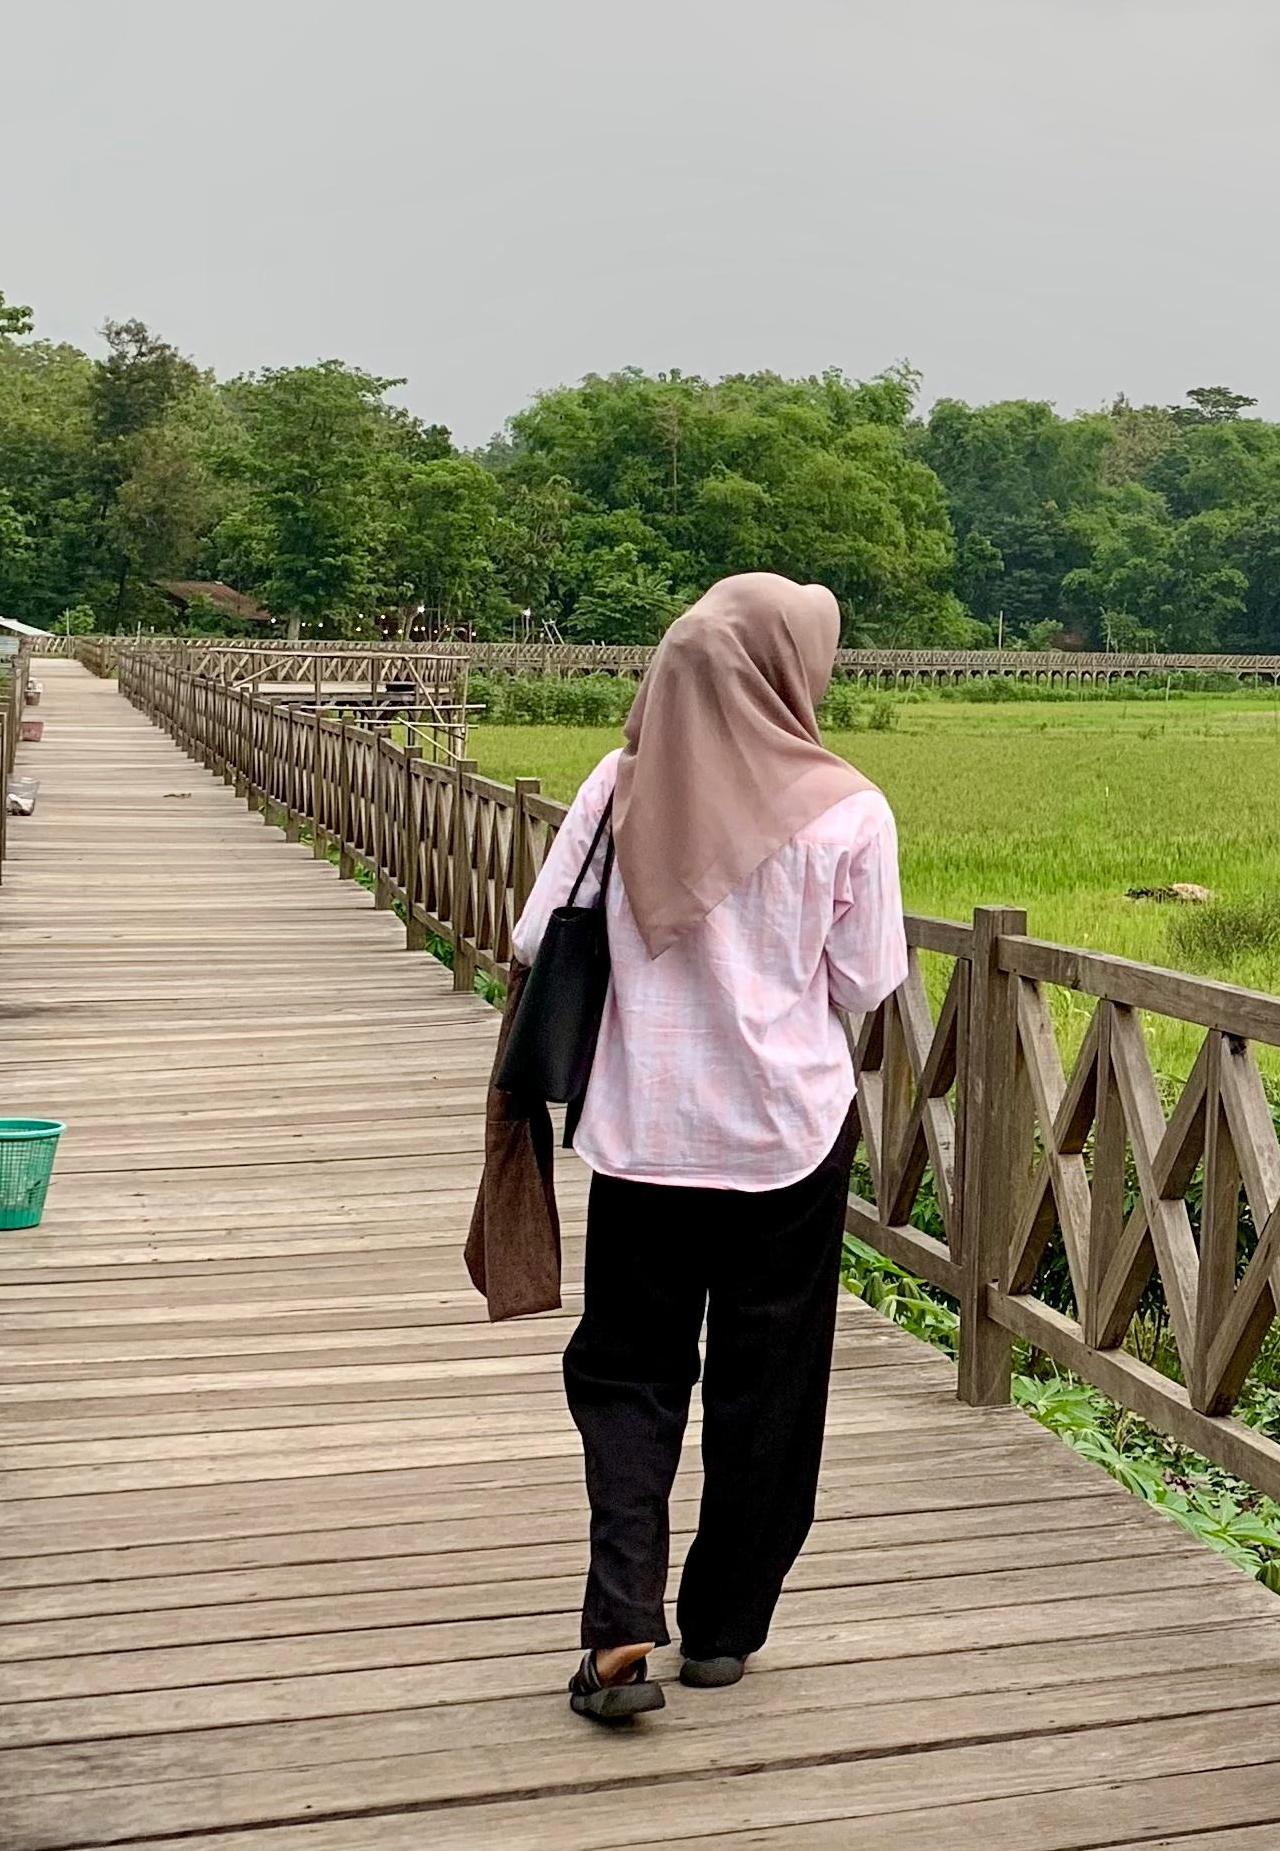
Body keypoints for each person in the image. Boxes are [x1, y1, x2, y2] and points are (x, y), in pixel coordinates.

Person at [503, 574, 907, 1725]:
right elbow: (867, 980)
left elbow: (536, 936)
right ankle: (726, 1631)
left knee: (629, 1377)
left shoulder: (619, 782)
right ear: (797, 669)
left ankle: (621, 1625)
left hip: (641, 1139)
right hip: (788, 1135)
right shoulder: (849, 810)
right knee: (767, 1385)